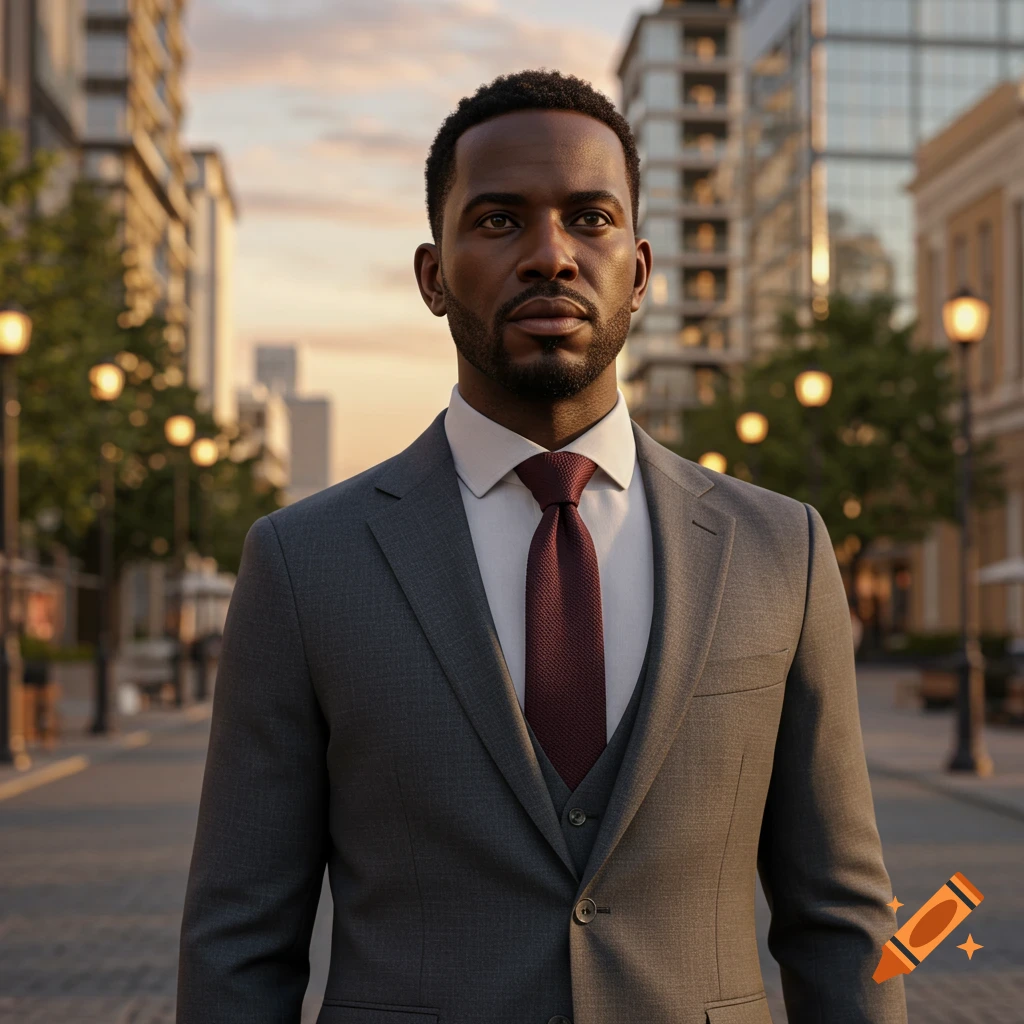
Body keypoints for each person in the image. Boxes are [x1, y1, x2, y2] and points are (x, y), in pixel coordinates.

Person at [178, 70, 907, 1024]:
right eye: (498, 220)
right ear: (433, 276)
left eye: (590, 219)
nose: (551, 256)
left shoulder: (781, 549)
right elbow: (239, 939)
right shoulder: (304, 562)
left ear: (638, 273)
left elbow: (843, 921)